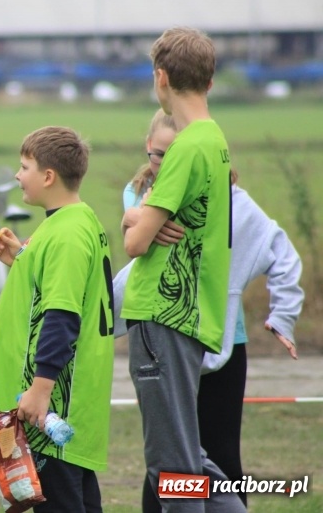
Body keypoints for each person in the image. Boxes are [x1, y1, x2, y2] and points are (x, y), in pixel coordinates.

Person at [117, 111, 304, 511]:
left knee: (218, 458)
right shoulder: (138, 194)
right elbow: (135, 247)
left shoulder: (230, 201)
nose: (165, 164)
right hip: (165, 337)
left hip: (221, 341)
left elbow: (279, 251)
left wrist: (282, 316)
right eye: (157, 155)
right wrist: (135, 217)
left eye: (175, 155)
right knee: (171, 462)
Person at [119, 26, 246, 512]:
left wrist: (135, 219)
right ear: (210, 82)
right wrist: (144, 219)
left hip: (161, 316)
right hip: (192, 314)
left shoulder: (185, 147)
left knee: (171, 468)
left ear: (161, 78)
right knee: (189, 458)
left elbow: (134, 243)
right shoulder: (215, 141)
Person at [0, 126, 115, 512]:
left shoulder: (67, 234)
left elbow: (62, 315)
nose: (16, 175)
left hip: (54, 403)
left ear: (48, 176)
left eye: (24, 167)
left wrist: (40, 390)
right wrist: (22, 263)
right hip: (60, 401)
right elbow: (56, 291)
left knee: (60, 502)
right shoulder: (70, 222)